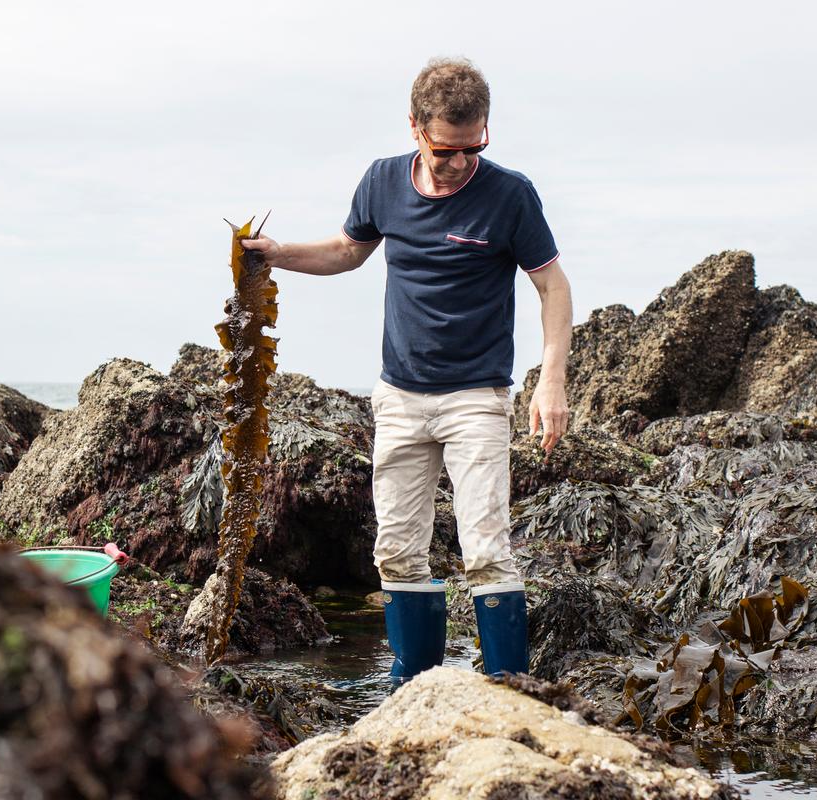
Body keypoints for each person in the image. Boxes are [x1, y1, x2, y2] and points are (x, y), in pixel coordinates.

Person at [242, 57, 572, 685]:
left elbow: (553, 287)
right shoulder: (382, 182)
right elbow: (347, 252)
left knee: (485, 551)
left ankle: (509, 690)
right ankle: (410, 687)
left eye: (474, 146)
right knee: (395, 549)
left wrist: (550, 380)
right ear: (416, 128)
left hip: (477, 396)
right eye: (446, 149)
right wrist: (278, 256)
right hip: (399, 397)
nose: (460, 162)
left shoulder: (510, 194)